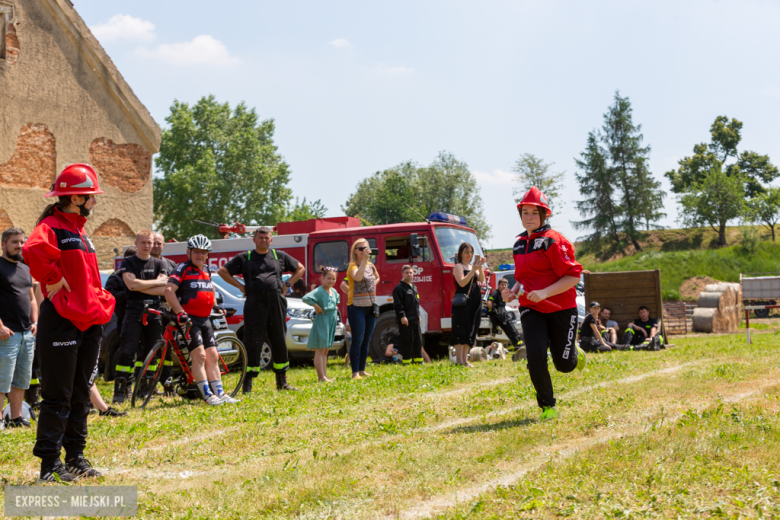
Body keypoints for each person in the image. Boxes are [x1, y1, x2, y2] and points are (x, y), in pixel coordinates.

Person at [23, 163, 115, 482]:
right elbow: (31, 249)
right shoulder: (51, 225)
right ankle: (50, 465)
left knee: (80, 391)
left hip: (89, 320)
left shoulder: (80, 230)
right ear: (75, 198)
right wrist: (52, 278)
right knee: (57, 394)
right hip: (61, 320)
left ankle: (75, 456)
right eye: (91, 196)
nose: (95, 201)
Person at [503, 186, 586, 422]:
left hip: (562, 308)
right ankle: (547, 406)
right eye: (524, 212)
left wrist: (545, 292)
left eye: (533, 213)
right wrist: (513, 292)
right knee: (535, 355)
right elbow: (521, 276)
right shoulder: (519, 244)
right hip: (532, 307)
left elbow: (573, 276)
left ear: (543, 215)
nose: (528, 217)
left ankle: (573, 352)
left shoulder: (554, 241)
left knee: (564, 365)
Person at [219, 227, 305, 392]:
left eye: (267, 238)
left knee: (279, 339)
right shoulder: (245, 257)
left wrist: (287, 284)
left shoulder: (278, 256)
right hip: (254, 303)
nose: (264, 240)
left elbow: (300, 268)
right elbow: (223, 271)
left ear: (271, 240)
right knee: (253, 341)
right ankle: (248, 383)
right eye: (260, 237)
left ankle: (282, 381)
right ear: (254, 239)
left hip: (276, 302)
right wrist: (240, 287)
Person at [166, 235, 238, 405]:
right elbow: (169, 290)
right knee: (199, 356)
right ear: (188, 252)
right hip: (189, 320)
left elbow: (210, 288)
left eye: (203, 252)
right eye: (196, 252)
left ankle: (220, 393)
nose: (200, 255)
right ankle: (207, 395)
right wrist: (180, 312)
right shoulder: (182, 268)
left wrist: (215, 305)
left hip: (205, 319)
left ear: (207, 254)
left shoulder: (206, 270)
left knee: (212, 356)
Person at [112, 231, 168, 404]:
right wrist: (153, 283)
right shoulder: (128, 262)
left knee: (151, 353)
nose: (146, 246)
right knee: (127, 351)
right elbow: (130, 284)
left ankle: (145, 389)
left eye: (149, 243)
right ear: (136, 243)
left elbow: (164, 288)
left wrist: (138, 286)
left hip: (155, 311)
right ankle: (120, 391)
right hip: (134, 311)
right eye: (143, 242)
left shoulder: (159, 263)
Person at [0, 227, 37, 428]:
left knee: (21, 379)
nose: (19, 246)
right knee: (1, 379)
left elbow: (32, 299)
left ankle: (16, 418)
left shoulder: (25, 268)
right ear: (4, 245)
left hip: (26, 333)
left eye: (22, 242)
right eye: (15, 242)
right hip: (6, 333)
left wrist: (35, 322)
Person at [345, 239, 380, 379]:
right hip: (356, 307)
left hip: (370, 307)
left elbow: (377, 277)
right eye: (360, 248)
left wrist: (371, 286)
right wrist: (365, 260)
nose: (363, 250)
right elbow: (358, 277)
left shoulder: (371, 266)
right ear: (355, 251)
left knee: (366, 340)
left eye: (365, 248)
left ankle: (362, 370)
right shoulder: (353, 265)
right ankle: (354, 373)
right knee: (357, 340)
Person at [302, 267, 340, 382]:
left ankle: (325, 376)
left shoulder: (334, 292)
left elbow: (336, 302)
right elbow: (306, 298)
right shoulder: (319, 291)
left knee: (325, 350)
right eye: (329, 278)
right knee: (320, 349)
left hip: (331, 321)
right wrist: (316, 306)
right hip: (322, 321)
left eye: (333, 279)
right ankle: (321, 377)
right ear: (322, 278)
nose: (331, 281)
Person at [451, 242, 485, 367]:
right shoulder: (458, 267)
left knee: (471, 328)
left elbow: (481, 280)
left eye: (470, 252)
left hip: (475, 300)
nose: (469, 255)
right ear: (461, 253)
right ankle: (459, 361)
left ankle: (465, 361)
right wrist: (472, 272)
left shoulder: (472, 266)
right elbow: (462, 283)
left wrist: (479, 267)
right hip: (463, 301)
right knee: (461, 328)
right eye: (466, 252)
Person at [392, 265, 423, 365]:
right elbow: (398, 305)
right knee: (407, 341)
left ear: (413, 274)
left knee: (418, 340)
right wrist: (402, 316)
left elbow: (416, 303)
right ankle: (406, 362)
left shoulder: (414, 287)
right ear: (402, 274)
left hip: (415, 319)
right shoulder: (399, 288)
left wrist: (418, 315)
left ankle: (418, 360)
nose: (409, 274)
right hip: (406, 320)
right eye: (406, 273)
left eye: (410, 273)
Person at [487, 278, 525, 358]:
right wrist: (493, 313)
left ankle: (518, 343)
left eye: (505, 285)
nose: (504, 286)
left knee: (511, 327)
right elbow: (489, 302)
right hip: (498, 313)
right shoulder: (495, 293)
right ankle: (517, 343)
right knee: (509, 328)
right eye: (502, 285)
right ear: (498, 285)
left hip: (503, 312)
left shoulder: (504, 294)